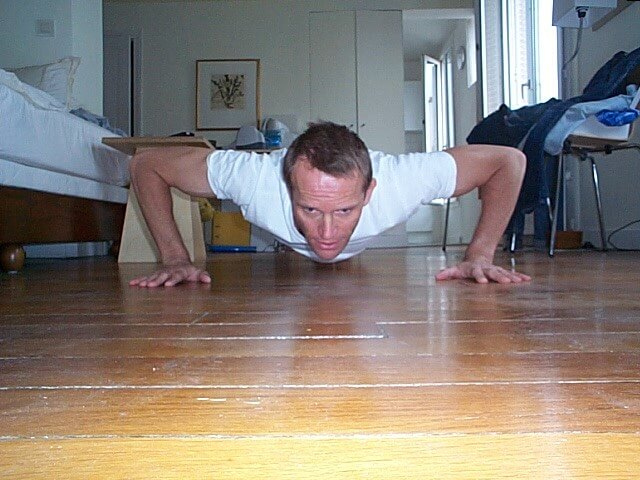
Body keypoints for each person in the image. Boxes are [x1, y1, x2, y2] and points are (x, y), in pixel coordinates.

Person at [128, 121, 531, 287]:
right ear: (286, 187)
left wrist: (480, 253)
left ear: (369, 193)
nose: (325, 233)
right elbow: (147, 165)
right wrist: (174, 258)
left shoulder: (402, 181)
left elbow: (508, 163)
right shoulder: (252, 178)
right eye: (309, 210)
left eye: (344, 212)